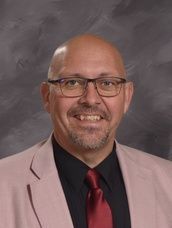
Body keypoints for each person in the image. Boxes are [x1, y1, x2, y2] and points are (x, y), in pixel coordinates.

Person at [0, 34, 172, 228]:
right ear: (47, 96)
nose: (90, 99)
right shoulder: (3, 185)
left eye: (107, 83)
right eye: (72, 82)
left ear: (127, 96)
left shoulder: (168, 182)